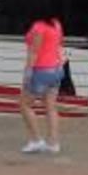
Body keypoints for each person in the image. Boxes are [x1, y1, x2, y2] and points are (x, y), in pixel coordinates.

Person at [19, 16, 65, 154]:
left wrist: (27, 74)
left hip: (41, 71)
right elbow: (59, 46)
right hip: (56, 70)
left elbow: (34, 52)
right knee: (51, 107)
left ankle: (36, 140)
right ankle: (53, 143)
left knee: (24, 105)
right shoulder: (56, 23)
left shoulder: (39, 27)